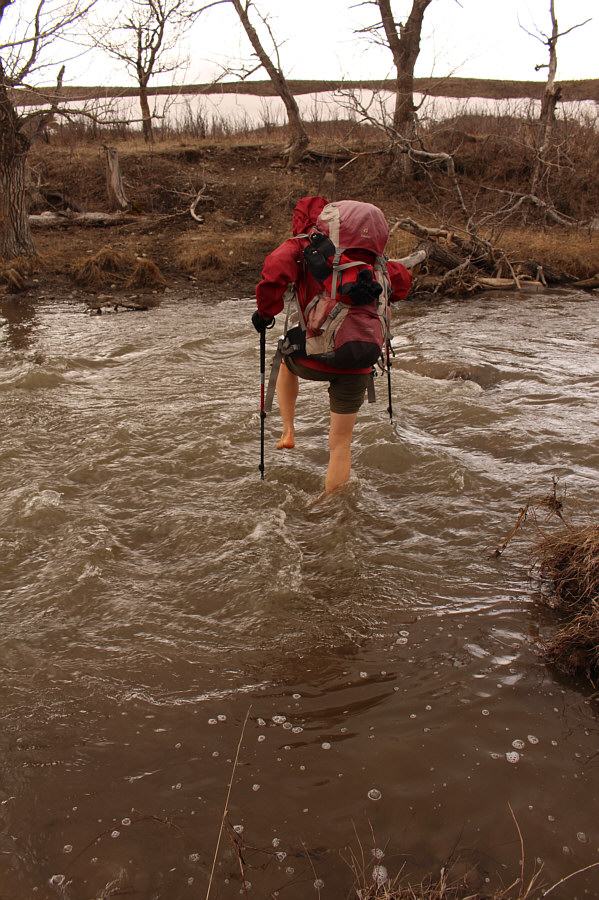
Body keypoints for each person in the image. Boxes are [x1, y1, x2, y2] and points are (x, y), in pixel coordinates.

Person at [252, 196, 412, 494]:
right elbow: (401, 287)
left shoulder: (302, 246)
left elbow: (274, 270)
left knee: (285, 355)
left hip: (312, 359)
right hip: (360, 361)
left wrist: (264, 314)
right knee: (340, 445)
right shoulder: (377, 260)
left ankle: (288, 429)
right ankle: (331, 506)